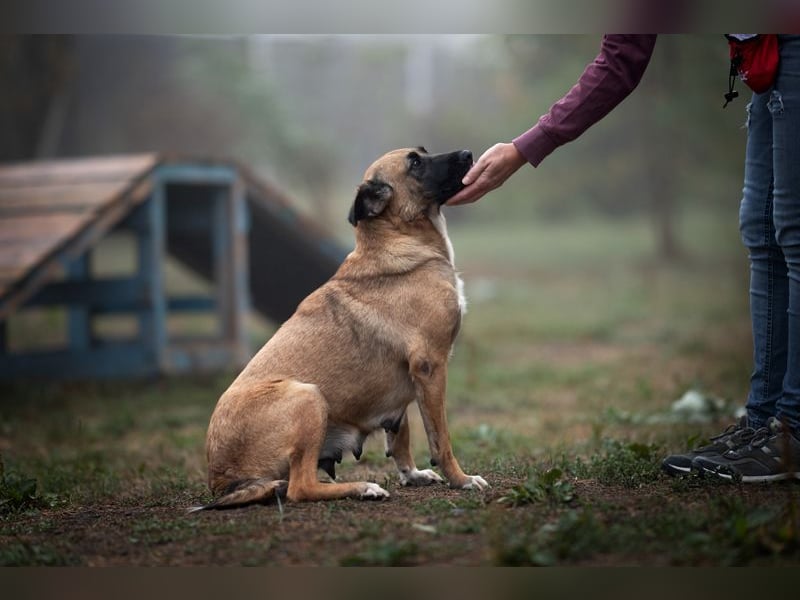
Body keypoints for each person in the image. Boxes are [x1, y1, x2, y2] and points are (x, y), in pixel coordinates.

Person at [446, 34, 800, 483]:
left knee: (793, 231)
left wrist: (524, 148)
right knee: (763, 231)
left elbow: (620, 61)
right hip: (769, 59)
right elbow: (623, 56)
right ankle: (765, 423)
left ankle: (794, 428)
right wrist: (524, 147)